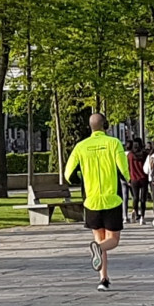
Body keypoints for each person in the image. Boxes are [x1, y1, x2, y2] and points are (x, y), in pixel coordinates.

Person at [64, 113, 129, 291]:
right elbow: (124, 168)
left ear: (90, 127)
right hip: (111, 199)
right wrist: (129, 180)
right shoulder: (114, 143)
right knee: (112, 240)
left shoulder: (81, 146)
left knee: (99, 238)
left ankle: (103, 279)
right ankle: (98, 250)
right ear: (105, 125)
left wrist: (80, 180)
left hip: (91, 200)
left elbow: (68, 174)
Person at [126, 137, 148, 224]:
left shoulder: (130, 155)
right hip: (143, 178)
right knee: (143, 198)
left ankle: (134, 211)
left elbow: (127, 167)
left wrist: (128, 178)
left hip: (133, 178)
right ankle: (142, 217)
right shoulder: (144, 155)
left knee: (135, 197)